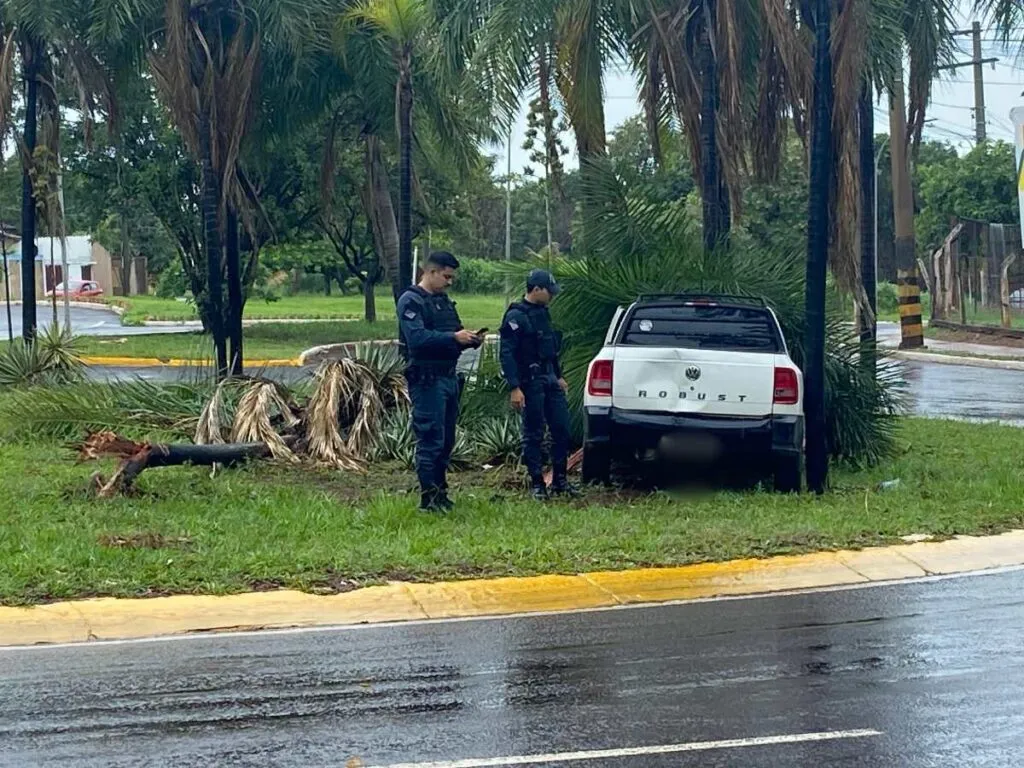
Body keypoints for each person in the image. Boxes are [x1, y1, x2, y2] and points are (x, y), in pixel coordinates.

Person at [397, 251, 483, 511]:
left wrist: (469, 341)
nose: (449, 282)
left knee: (446, 441)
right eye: (446, 276)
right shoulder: (411, 301)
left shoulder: (444, 302)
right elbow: (418, 339)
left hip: (448, 377)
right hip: (427, 380)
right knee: (430, 439)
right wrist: (453, 339)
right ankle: (428, 498)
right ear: (430, 272)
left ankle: (441, 493)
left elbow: (453, 333)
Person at [499, 269, 578, 500]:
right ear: (536, 290)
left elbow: (550, 347)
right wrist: (514, 387)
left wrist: (559, 374)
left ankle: (560, 481)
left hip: (550, 377)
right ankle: (537, 484)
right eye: (549, 292)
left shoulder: (543, 313)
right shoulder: (516, 316)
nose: (552, 296)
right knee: (533, 433)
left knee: (561, 429)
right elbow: (507, 353)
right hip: (530, 381)